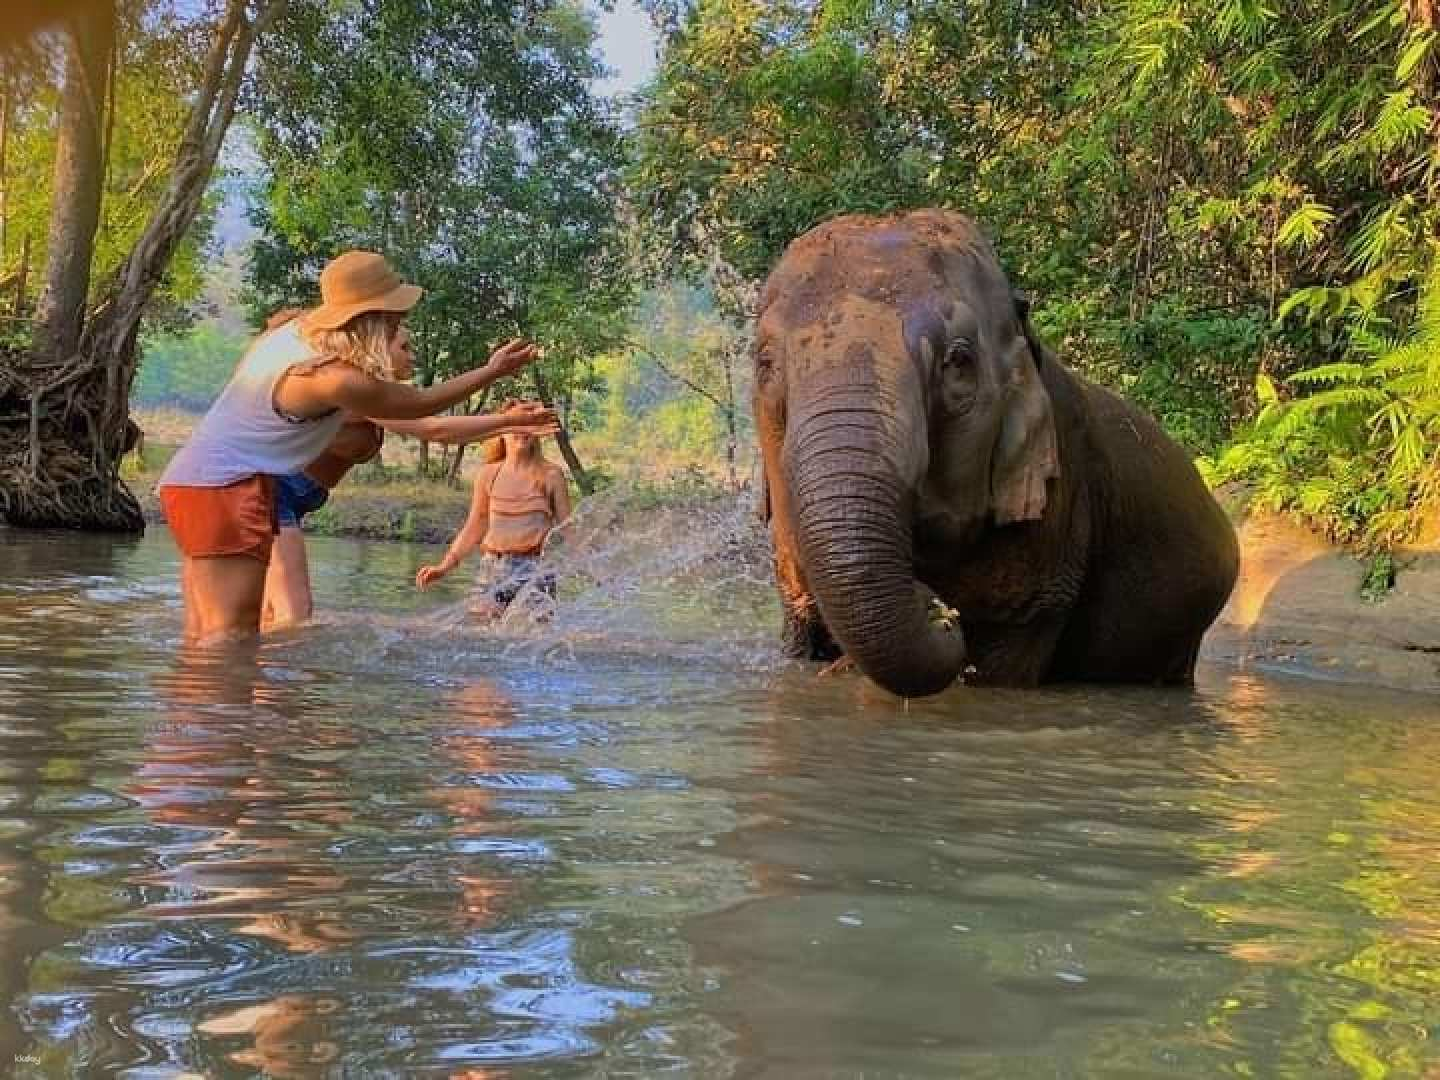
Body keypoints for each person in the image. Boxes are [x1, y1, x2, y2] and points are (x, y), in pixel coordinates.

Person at [158, 250, 542, 644]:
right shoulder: (332, 378)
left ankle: (219, 706)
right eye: (395, 317)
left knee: (206, 634)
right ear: (373, 318)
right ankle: (234, 706)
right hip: (226, 487)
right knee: (231, 638)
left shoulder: (292, 339)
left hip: (197, 482)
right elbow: (421, 407)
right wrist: (492, 372)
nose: (400, 324)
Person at [255, 309, 559, 631]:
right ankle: (271, 681)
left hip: (289, 498)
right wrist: (508, 418)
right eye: (404, 348)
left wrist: (513, 423)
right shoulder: (353, 389)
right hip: (276, 494)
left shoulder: (372, 394)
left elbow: (442, 426)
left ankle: (245, 677)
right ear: (378, 347)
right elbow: (436, 429)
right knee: (294, 615)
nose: (412, 356)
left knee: (266, 616)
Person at [415, 400, 571, 619]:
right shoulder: (489, 474)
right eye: (516, 425)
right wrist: (444, 567)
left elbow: (570, 529)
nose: (522, 432)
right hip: (492, 567)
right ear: (502, 432)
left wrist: (597, 569)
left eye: (528, 426)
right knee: (481, 636)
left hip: (535, 570)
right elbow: (474, 527)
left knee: (530, 640)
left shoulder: (550, 475)